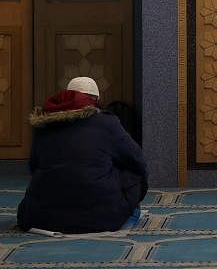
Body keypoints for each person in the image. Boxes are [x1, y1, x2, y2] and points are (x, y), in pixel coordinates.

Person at [17, 76, 148, 234]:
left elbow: (34, 166)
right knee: (133, 174)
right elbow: (137, 160)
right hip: (101, 217)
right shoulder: (106, 122)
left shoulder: (44, 124)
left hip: (42, 217)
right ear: (96, 100)